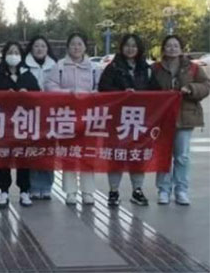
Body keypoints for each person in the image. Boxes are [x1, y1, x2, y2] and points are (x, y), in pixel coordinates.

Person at [98, 34, 156, 207]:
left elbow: (156, 91)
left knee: (137, 155)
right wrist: (122, 94)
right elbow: (103, 88)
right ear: (122, 47)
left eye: (134, 46)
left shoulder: (146, 68)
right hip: (117, 120)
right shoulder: (113, 67)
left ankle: (137, 190)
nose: (130, 49)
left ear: (139, 49)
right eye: (127, 45)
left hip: (139, 120)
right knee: (116, 155)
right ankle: (113, 191)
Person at [152, 35, 210, 206]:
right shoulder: (155, 68)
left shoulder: (193, 68)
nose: (172, 48)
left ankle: (181, 190)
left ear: (181, 49)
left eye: (175, 45)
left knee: (182, 156)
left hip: (185, 116)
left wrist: (191, 88)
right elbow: (147, 88)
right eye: (168, 45)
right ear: (163, 48)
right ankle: (163, 190)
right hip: (162, 118)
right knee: (163, 155)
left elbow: (206, 86)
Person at [45, 32, 99, 206]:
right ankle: (70, 192)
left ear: (85, 47)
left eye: (79, 44)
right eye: (73, 44)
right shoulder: (59, 66)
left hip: (88, 116)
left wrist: (91, 95)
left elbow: (101, 88)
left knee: (88, 154)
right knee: (69, 153)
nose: (76, 47)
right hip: (66, 116)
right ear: (68, 47)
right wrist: (68, 93)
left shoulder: (94, 67)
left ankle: (88, 192)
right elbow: (50, 87)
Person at [0, 41, 39, 207]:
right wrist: (3, 96)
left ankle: (24, 191)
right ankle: (4, 191)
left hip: (23, 125)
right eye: (10, 52)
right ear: (4, 55)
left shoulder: (28, 75)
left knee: (23, 158)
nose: (13, 55)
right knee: (3, 159)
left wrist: (27, 94)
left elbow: (39, 97)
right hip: (3, 125)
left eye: (16, 52)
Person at [23, 35, 57, 200]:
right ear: (31, 48)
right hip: (30, 114)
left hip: (50, 114)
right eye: (36, 46)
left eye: (43, 46)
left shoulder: (55, 66)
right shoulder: (24, 66)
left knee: (48, 151)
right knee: (33, 151)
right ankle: (34, 186)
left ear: (47, 48)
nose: (40, 49)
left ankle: (47, 186)